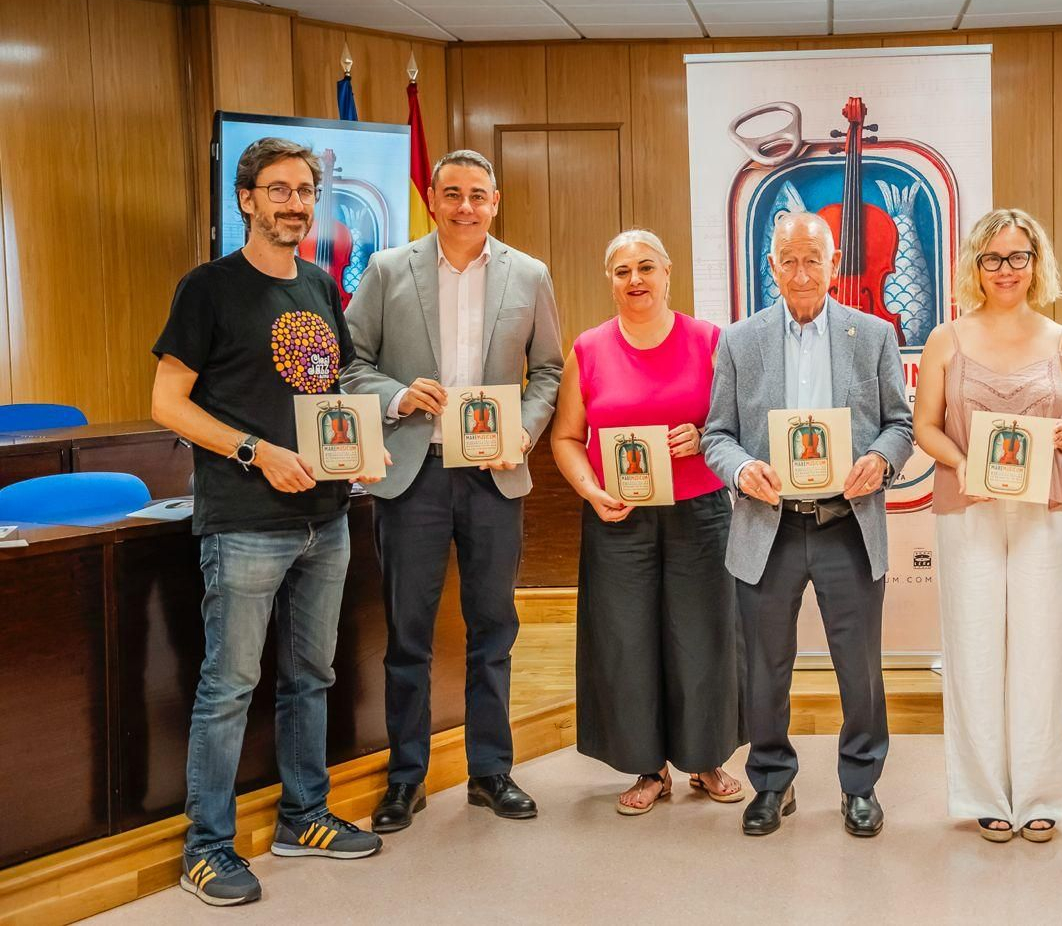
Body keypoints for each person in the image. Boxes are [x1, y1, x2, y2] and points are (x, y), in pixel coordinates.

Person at [151, 138, 384, 907]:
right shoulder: (208, 288)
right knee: (230, 685)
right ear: (245, 199)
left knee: (312, 676)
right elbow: (168, 403)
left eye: (305, 189)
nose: (294, 202)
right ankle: (206, 847)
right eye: (277, 189)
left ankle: (303, 815)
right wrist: (256, 451)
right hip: (247, 519)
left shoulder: (320, 283)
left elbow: (334, 387)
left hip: (327, 516)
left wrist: (365, 450)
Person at [342, 149, 562, 832]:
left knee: (494, 627)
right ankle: (406, 778)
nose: (466, 206)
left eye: (479, 195)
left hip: (495, 476)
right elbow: (351, 365)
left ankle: (490, 772)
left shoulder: (529, 274)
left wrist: (523, 431)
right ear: (433, 200)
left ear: (496, 202)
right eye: (453, 193)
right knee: (408, 632)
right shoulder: (385, 270)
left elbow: (550, 370)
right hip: (415, 475)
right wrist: (401, 395)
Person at [701, 211, 914, 838]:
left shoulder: (872, 335)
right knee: (764, 664)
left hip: (845, 523)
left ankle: (860, 784)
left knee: (860, 664)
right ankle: (771, 781)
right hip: (769, 525)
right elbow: (716, 435)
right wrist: (741, 471)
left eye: (811, 259)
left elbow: (899, 426)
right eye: (787, 260)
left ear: (834, 265)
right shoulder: (740, 341)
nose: (800, 272)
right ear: (771, 267)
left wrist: (880, 459)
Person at [549, 229, 745, 815]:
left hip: (701, 513)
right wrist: (591, 491)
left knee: (702, 637)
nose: (635, 280)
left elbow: (738, 426)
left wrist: (705, 436)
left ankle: (706, 759)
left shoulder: (710, 340)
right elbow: (565, 437)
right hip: (618, 518)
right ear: (609, 280)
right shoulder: (587, 348)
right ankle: (647, 767)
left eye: (646, 268)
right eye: (622, 271)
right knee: (626, 640)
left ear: (667, 274)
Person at [913, 209, 1062, 843]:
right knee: (974, 648)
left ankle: (1041, 796)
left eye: (1018, 257)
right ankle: (984, 793)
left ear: (1037, 262)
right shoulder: (946, 338)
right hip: (967, 508)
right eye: (993, 259)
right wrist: (965, 464)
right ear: (975, 267)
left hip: (1045, 509)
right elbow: (924, 427)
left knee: (1044, 649)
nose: (1007, 270)